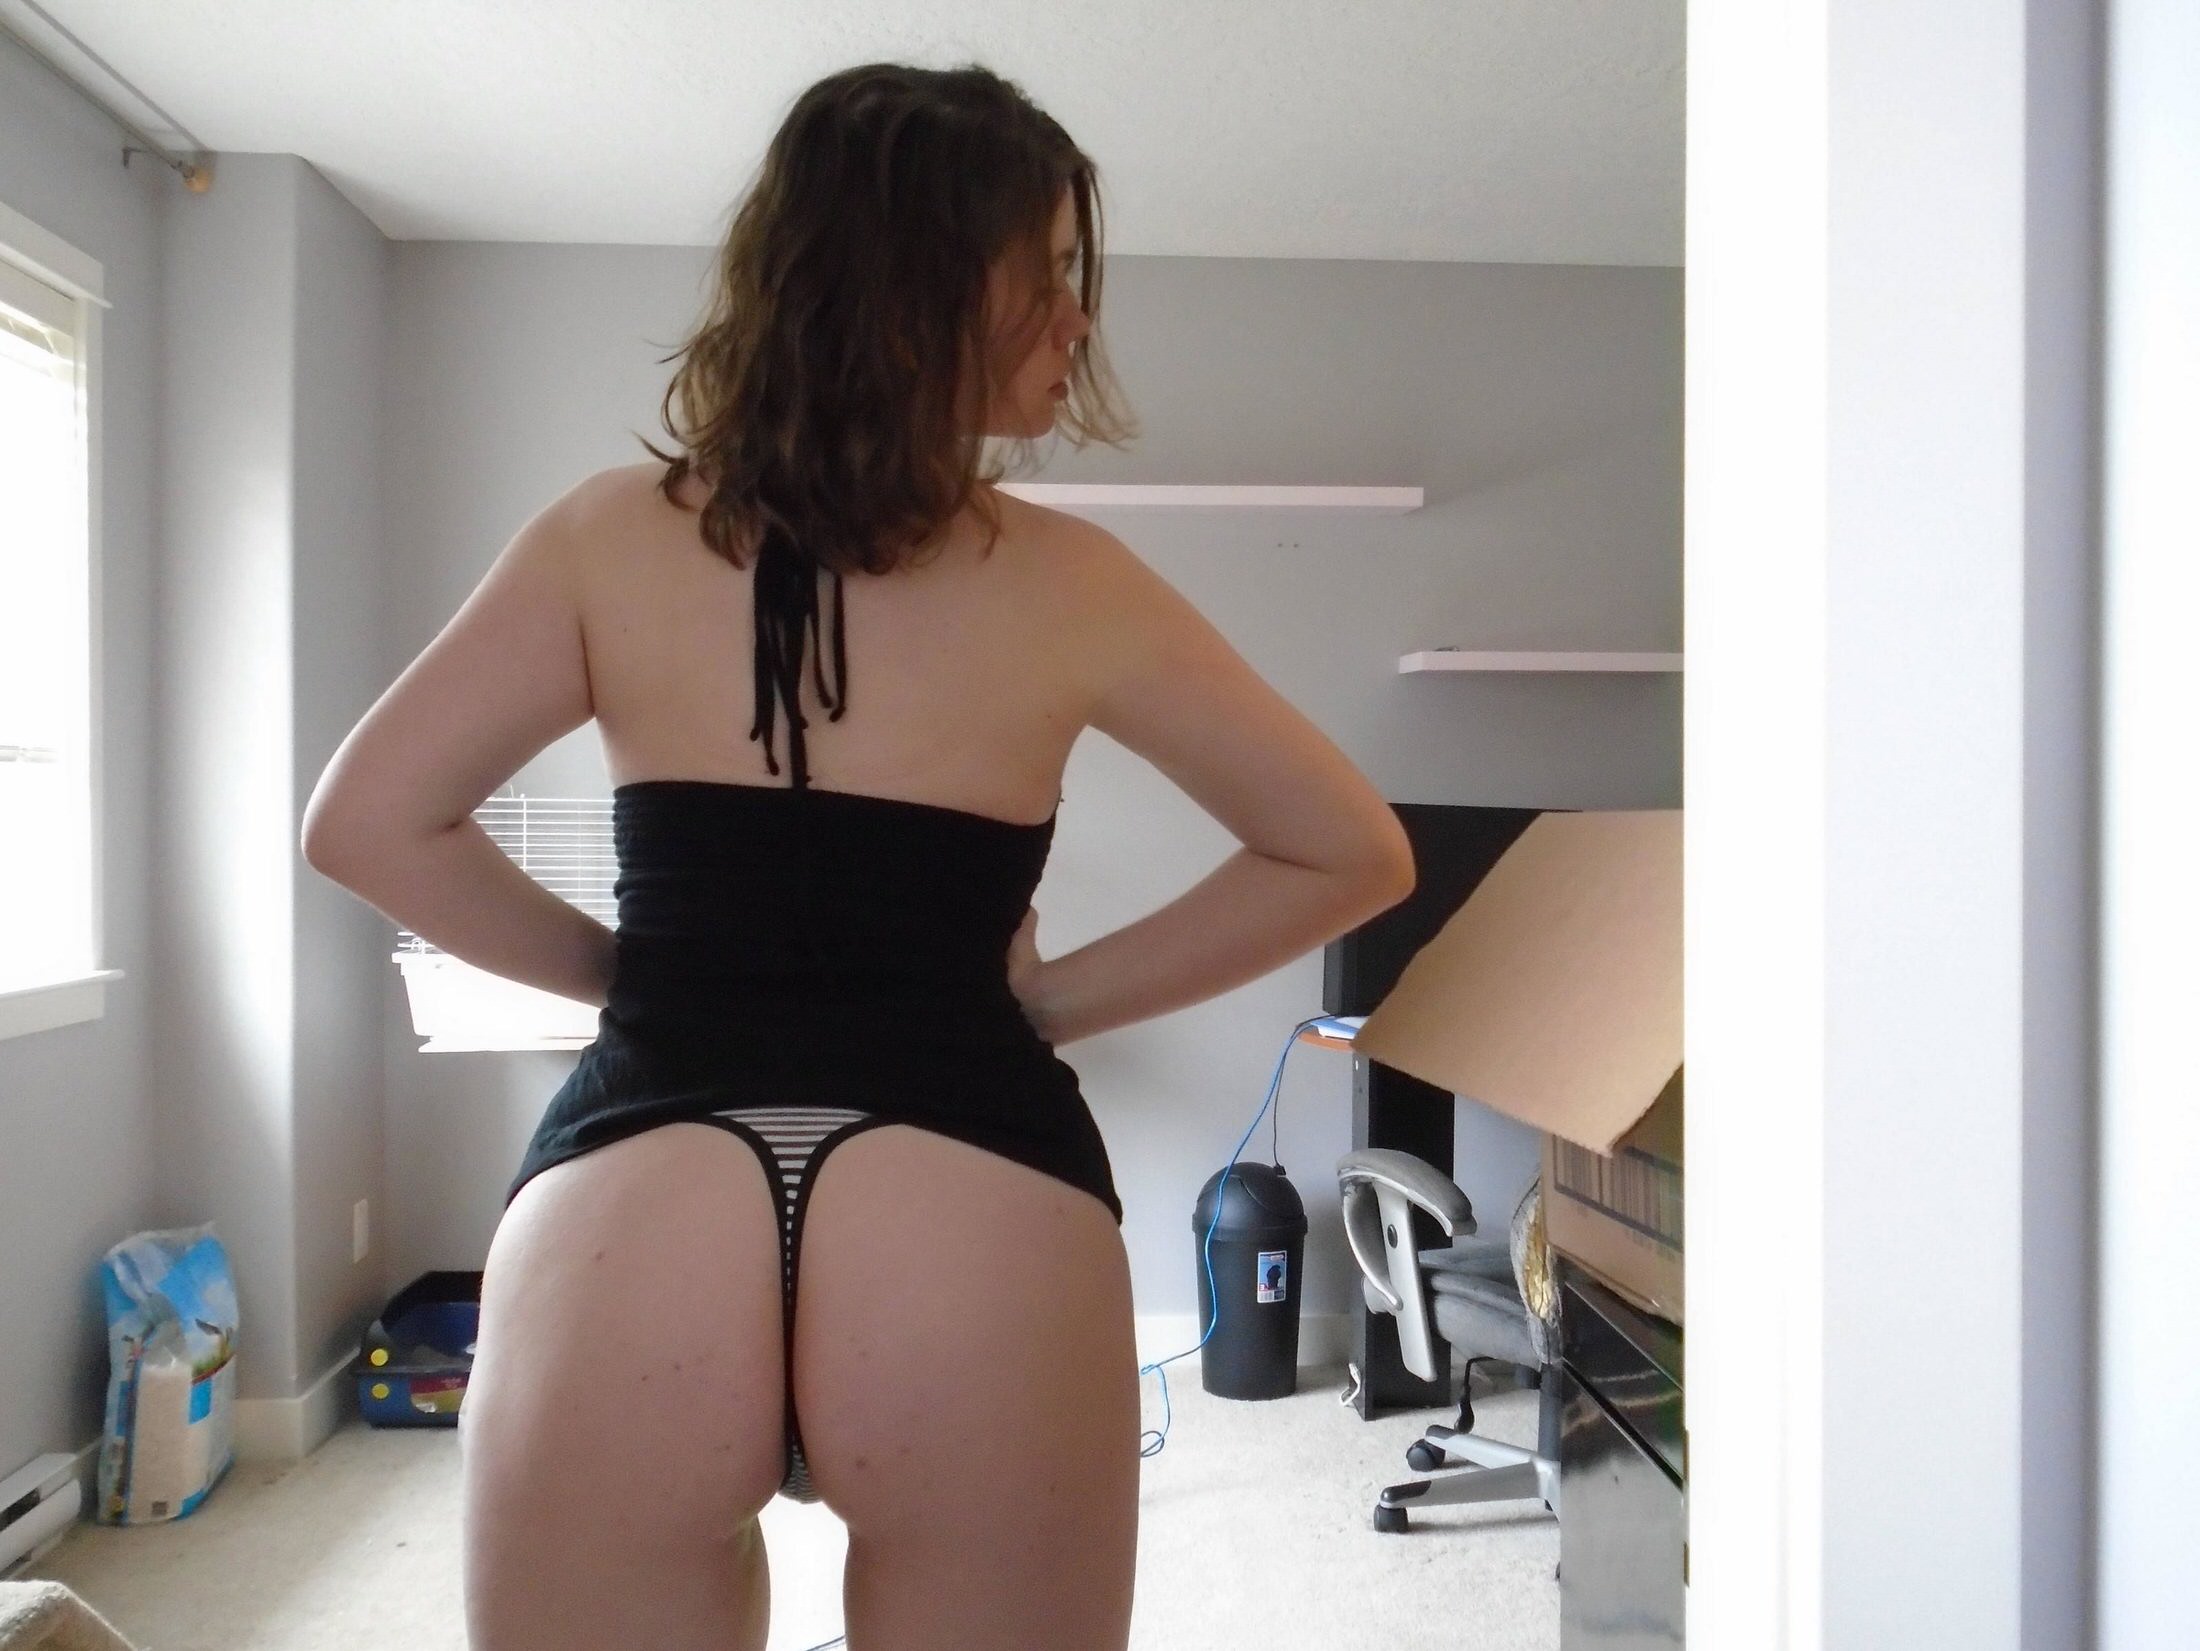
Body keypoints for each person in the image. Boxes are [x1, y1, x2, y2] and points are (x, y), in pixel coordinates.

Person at [300, 60, 1415, 1651]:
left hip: (639, 1189)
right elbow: (1347, 853)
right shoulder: (1076, 583)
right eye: (1048, 277)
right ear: (919, 293)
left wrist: (631, 985)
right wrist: (1046, 1006)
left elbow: (366, 823)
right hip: (971, 1180)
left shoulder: (604, 536)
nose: (1080, 321)